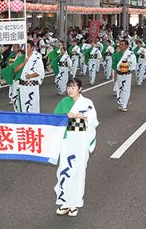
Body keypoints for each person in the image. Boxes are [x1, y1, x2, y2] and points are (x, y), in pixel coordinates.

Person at [53, 78, 99, 217]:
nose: (70, 90)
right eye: (68, 87)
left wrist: (81, 117)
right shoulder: (64, 102)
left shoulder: (87, 103)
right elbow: (55, 118)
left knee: (78, 172)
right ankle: (65, 202)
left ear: (80, 89)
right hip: (66, 141)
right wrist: (66, 116)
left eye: (73, 87)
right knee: (64, 170)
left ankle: (75, 204)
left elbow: (94, 121)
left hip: (80, 142)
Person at [16, 40, 45, 113]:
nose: (26, 48)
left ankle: (34, 121)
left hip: (32, 85)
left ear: (32, 48)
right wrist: (23, 63)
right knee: (23, 105)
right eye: (25, 47)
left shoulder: (37, 58)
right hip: (22, 86)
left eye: (27, 47)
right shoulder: (21, 57)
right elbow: (15, 69)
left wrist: (31, 76)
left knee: (32, 104)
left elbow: (40, 72)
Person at [115, 40, 136, 112]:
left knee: (126, 89)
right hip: (119, 74)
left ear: (126, 46)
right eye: (120, 44)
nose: (120, 46)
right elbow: (115, 65)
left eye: (122, 44)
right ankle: (121, 103)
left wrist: (128, 68)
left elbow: (133, 64)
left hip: (126, 74)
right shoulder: (118, 54)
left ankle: (124, 104)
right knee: (119, 89)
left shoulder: (130, 54)